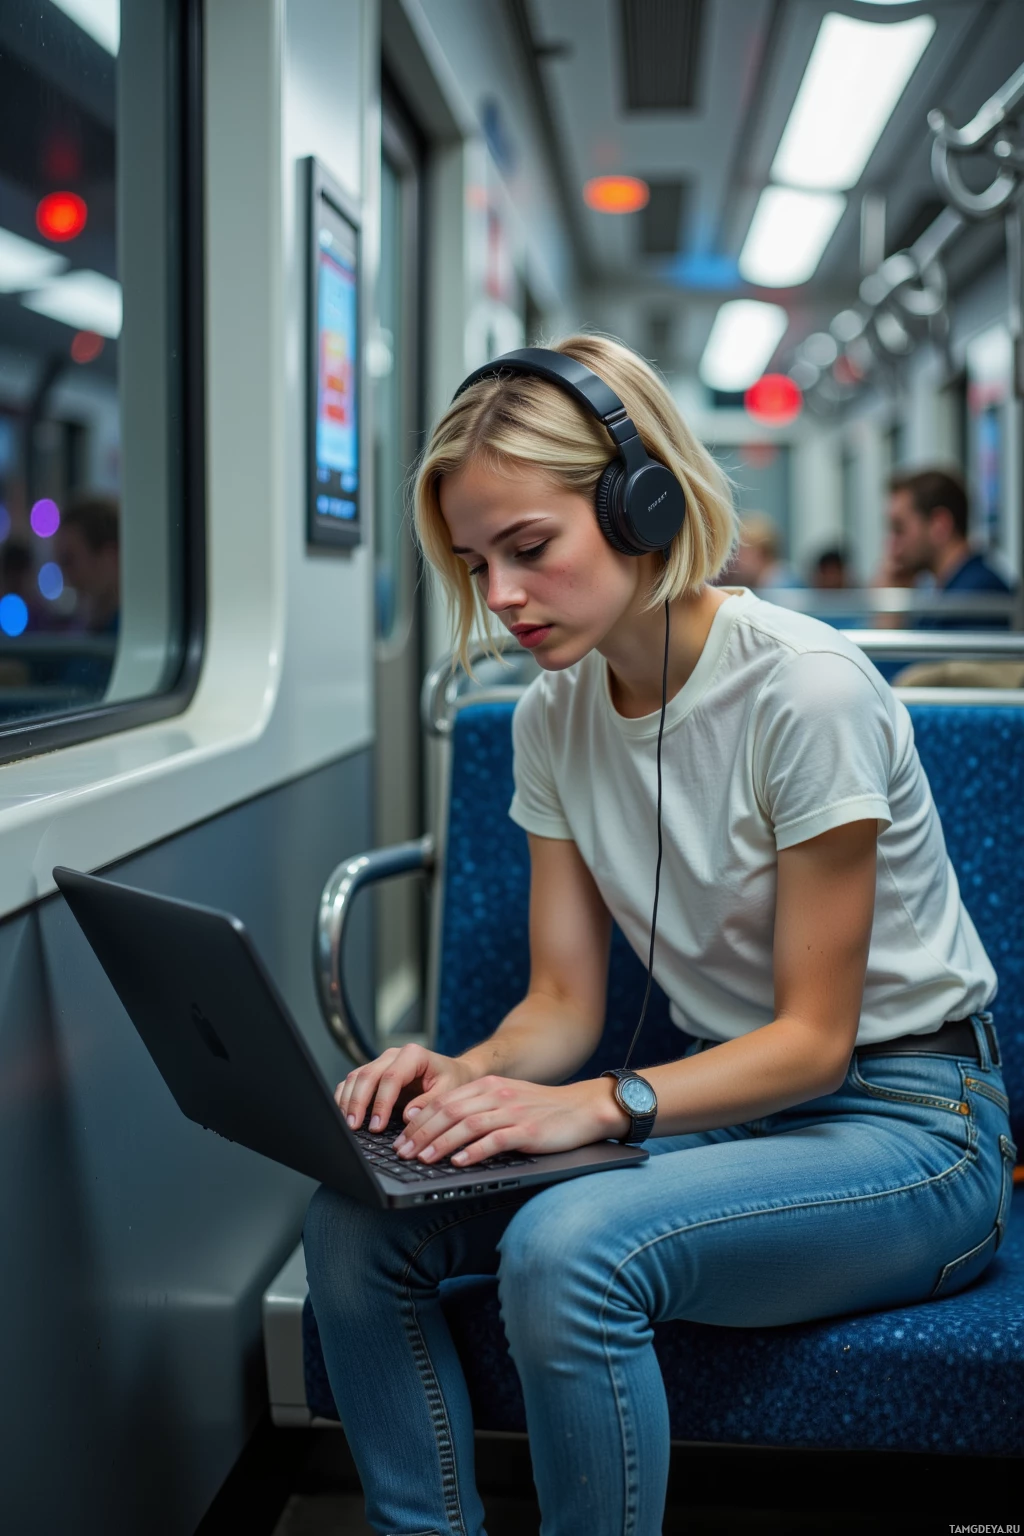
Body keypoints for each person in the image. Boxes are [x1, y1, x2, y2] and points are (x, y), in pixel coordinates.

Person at [303, 336, 1010, 1536]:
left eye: (531, 549)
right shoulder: (549, 719)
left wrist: (598, 1105)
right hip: (733, 1116)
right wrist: (456, 1071)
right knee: (358, 1224)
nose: (504, 597)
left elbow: (811, 1045)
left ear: (643, 504)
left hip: (912, 1128)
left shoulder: (807, 691)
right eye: (478, 565)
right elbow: (564, 1009)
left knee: (564, 1251)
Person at [885, 468, 1014, 629]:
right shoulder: (948, 589)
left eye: (899, 529)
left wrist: (888, 604)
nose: (891, 545)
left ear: (939, 525)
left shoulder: (977, 597)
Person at [726, 510, 802, 591]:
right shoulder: (769, 582)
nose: (737, 557)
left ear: (760, 552)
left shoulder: (782, 588)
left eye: (742, 550)